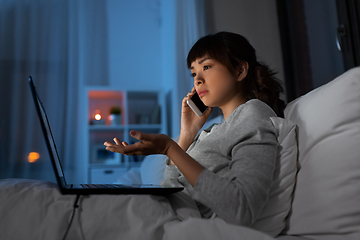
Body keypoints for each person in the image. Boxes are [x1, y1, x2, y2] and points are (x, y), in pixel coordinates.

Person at [104, 31, 285, 227]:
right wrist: (186, 135)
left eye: (206, 67)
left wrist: (169, 147)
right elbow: (170, 187)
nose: (197, 79)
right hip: (165, 215)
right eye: (193, 73)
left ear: (240, 70)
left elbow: (241, 209)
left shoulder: (252, 113)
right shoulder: (215, 129)